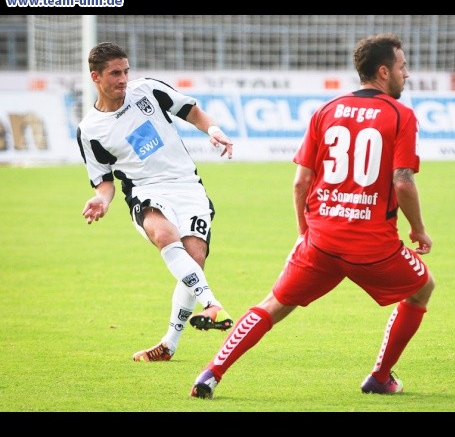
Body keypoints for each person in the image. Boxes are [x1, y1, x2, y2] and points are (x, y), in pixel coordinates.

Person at [189, 33, 436, 398]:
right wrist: (418, 229)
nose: (407, 74)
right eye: (403, 67)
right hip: (374, 247)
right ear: (384, 72)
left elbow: (300, 182)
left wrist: (305, 233)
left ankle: (210, 373)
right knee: (422, 289)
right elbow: (403, 182)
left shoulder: (327, 110)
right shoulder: (402, 115)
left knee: (273, 305)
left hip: (320, 241)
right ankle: (380, 376)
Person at [77, 42, 235, 363]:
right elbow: (104, 182)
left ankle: (169, 344)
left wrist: (214, 130)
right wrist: (101, 200)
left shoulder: (147, 90)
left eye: (125, 71)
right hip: (145, 190)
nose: (123, 79)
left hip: (187, 185)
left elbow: (192, 112)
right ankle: (212, 304)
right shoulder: (89, 130)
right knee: (164, 235)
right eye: (114, 74)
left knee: (194, 258)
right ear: (96, 77)